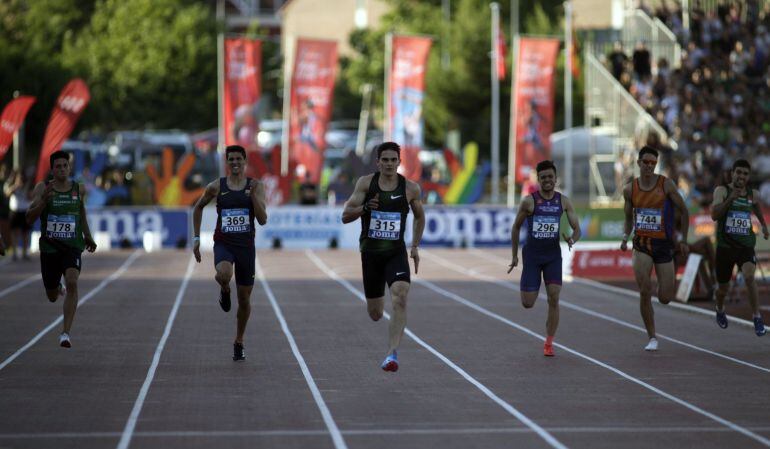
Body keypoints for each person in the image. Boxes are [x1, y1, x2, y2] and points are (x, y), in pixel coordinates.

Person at [342, 142, 425, 372]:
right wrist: (366, 207)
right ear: (378, 162)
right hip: (371, 254)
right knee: (376, 313)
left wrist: (415, 245)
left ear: (399, 162)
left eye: (393, 160)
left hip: (395, 252)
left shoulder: (410, 188)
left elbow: (420, 216)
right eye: (385, 160)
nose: (389, 164)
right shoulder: (366, 184)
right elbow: (345, 215)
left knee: (400, 296)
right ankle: (386, 338)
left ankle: (392, 354)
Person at [192, 145, 267, 361]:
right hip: (224, 243)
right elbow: (197, 208)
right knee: (224, 273)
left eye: (238, 159)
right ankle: (225, 288)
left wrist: (252, 198)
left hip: (246, 248)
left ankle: (239, 341)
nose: (235, 162)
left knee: (244, 299)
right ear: (227, 162)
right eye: (231, 159)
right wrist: (197, 238)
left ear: (245, 161)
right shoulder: (216, 187)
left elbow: (262, 220)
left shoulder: (256, 186)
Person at [508, 160, 581, 357]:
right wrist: (515, 255)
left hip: (552, 257)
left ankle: (549, 343)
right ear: (538, 180)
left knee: (554, 298)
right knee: (528, 303)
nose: (547, 180)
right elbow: (515, 227)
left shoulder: (563, 201)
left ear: (555, 179)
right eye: (543, 177)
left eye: (550, 177)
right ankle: (531, 282)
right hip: (532, 256)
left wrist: (572, 239)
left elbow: (577, 228)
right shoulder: (529, 201)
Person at [621, 146, 690, 351]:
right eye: (646, 162)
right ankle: (652, 337)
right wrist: (625, 237)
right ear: (639, 163)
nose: (649, 166)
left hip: (663, 244)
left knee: (665, 297)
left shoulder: (666, 185)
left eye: (653, 163)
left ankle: (663, 286)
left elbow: (684, 212)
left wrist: (684, 240)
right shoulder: (629, 189)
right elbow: (627, 218)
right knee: (644, 290)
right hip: (641, 244)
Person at [26, 151, 97, 348]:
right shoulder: (43, 188)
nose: (62, 169)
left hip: (72, 247)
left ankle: (65, 333)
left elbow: (81, 212)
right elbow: (29, 217)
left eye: (65, 165)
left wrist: (88, 235)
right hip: (49, 248)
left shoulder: (78, 189)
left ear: (69, 167)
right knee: (51, 296)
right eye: (58, 166)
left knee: (73, 282)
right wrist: (43, 202)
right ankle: (57, 287)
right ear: (52, 169)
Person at [710, 159, 769, 335]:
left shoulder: (753, 194)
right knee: (723, 289)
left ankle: (757, 317)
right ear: (732, 173)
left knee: (750, 276)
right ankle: (720, 308)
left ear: (748, 176)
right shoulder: (722, 191)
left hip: (745, 245)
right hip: (725, 247)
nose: (741, 176)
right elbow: (714, 215)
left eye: (745, 173)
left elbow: (757, 208)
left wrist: (764, 226)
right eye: (739, 172)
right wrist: (730, 199)